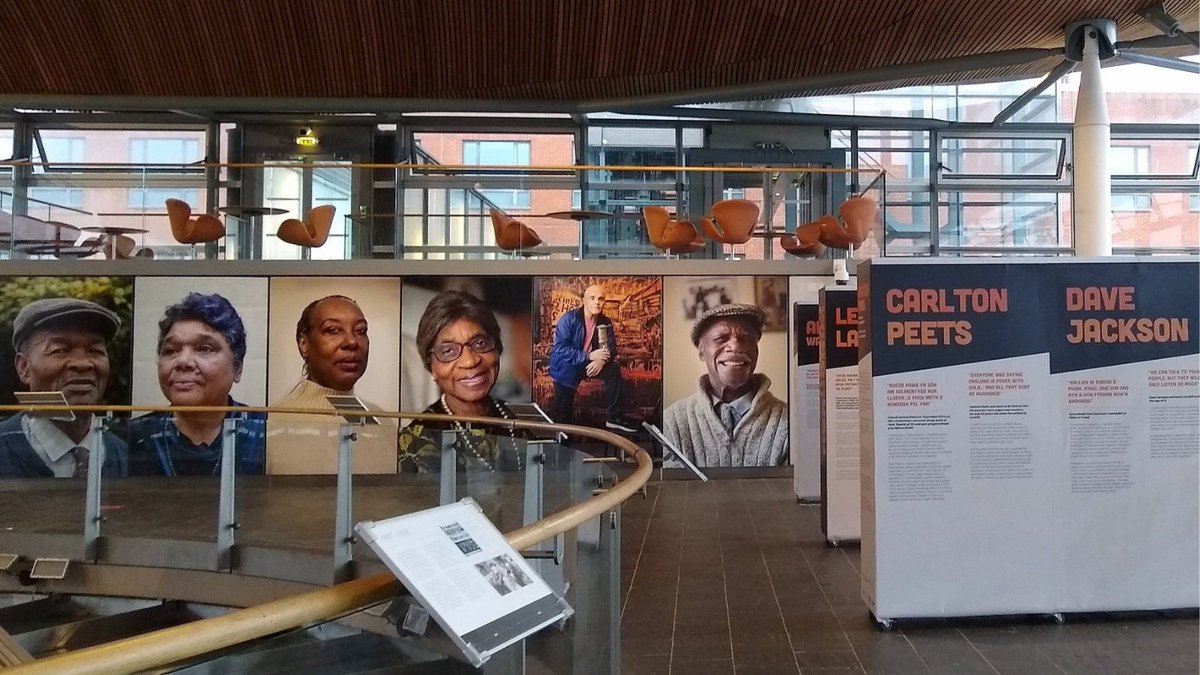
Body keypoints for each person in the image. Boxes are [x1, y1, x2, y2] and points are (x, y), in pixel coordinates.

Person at [127, 293, 265, 476]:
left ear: (237, 367)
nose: (183, 361)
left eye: (205, 349)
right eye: (171, 350)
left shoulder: (265, 433)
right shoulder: (134, 437)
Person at [399, 290, 528, 473]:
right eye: (448, 351)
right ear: (432, 368)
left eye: (480, 343)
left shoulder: (522, 424)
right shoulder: (418, 438)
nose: (470, 361)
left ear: (497, 348)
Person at [266, 295, 396, 474]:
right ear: (304, 344)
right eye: (333, 330)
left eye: (360, 330)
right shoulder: (271, 424)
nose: (351, 342)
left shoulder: (383, 422)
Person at [0, 298, 127, 478]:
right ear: (24, 367)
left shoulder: (124, 455)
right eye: (60, 350)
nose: (83, 363)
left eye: (95, 350)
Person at [662, 304, 788, 468]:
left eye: (746, 339)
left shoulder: (787, 422)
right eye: (721, 338)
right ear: (701, 351)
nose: (735, 347)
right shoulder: (673, 422)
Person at [547, 284, 637, 433]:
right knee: (562, 416)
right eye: (592, 298)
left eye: (601, 299)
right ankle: (561, 444)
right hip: (567, 367)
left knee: (613, 369)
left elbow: (611, 348)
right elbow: (560, 349)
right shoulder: (569, 319)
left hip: (590, 364)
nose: (597, 302)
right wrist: (588, 356)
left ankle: (614, 418)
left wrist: (601, 361)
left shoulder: (605, 322)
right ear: (584, 300)